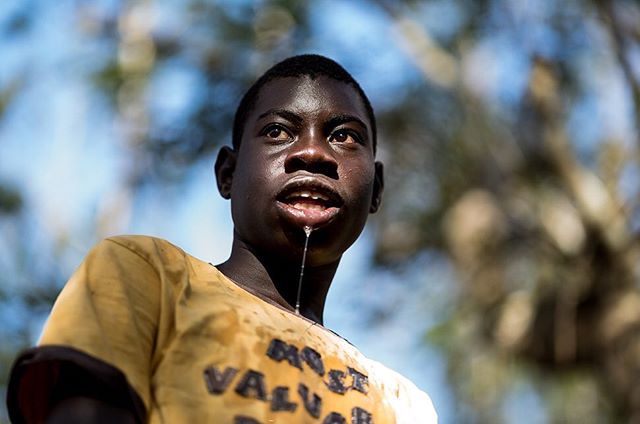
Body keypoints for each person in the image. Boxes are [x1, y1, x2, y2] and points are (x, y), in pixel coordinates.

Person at [7, 54, 437, 423]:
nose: (314, 153)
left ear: (376, 188)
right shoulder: (149, 277)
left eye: (344, 137)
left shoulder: (404, 404)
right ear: (228, 173)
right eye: (277, 132)